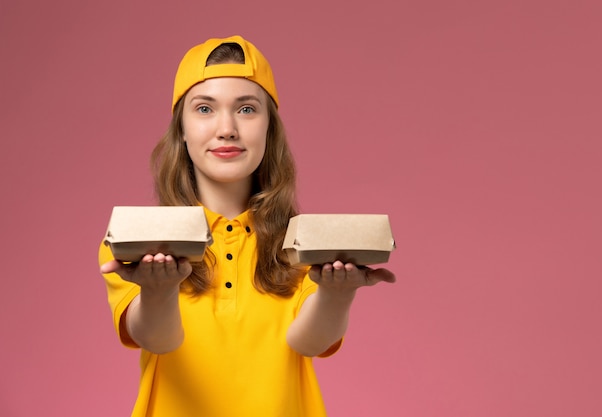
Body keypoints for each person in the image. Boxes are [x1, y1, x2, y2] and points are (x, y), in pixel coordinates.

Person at [99, 35, 396, 417]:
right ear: (182, 130)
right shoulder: (133, 240)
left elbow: (307, 342)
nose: (227, 129)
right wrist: (158, 289)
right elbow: (158, 339)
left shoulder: (304, 241)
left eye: (246, 109)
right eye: (204, 109)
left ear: (270, 128)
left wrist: (338, 294)